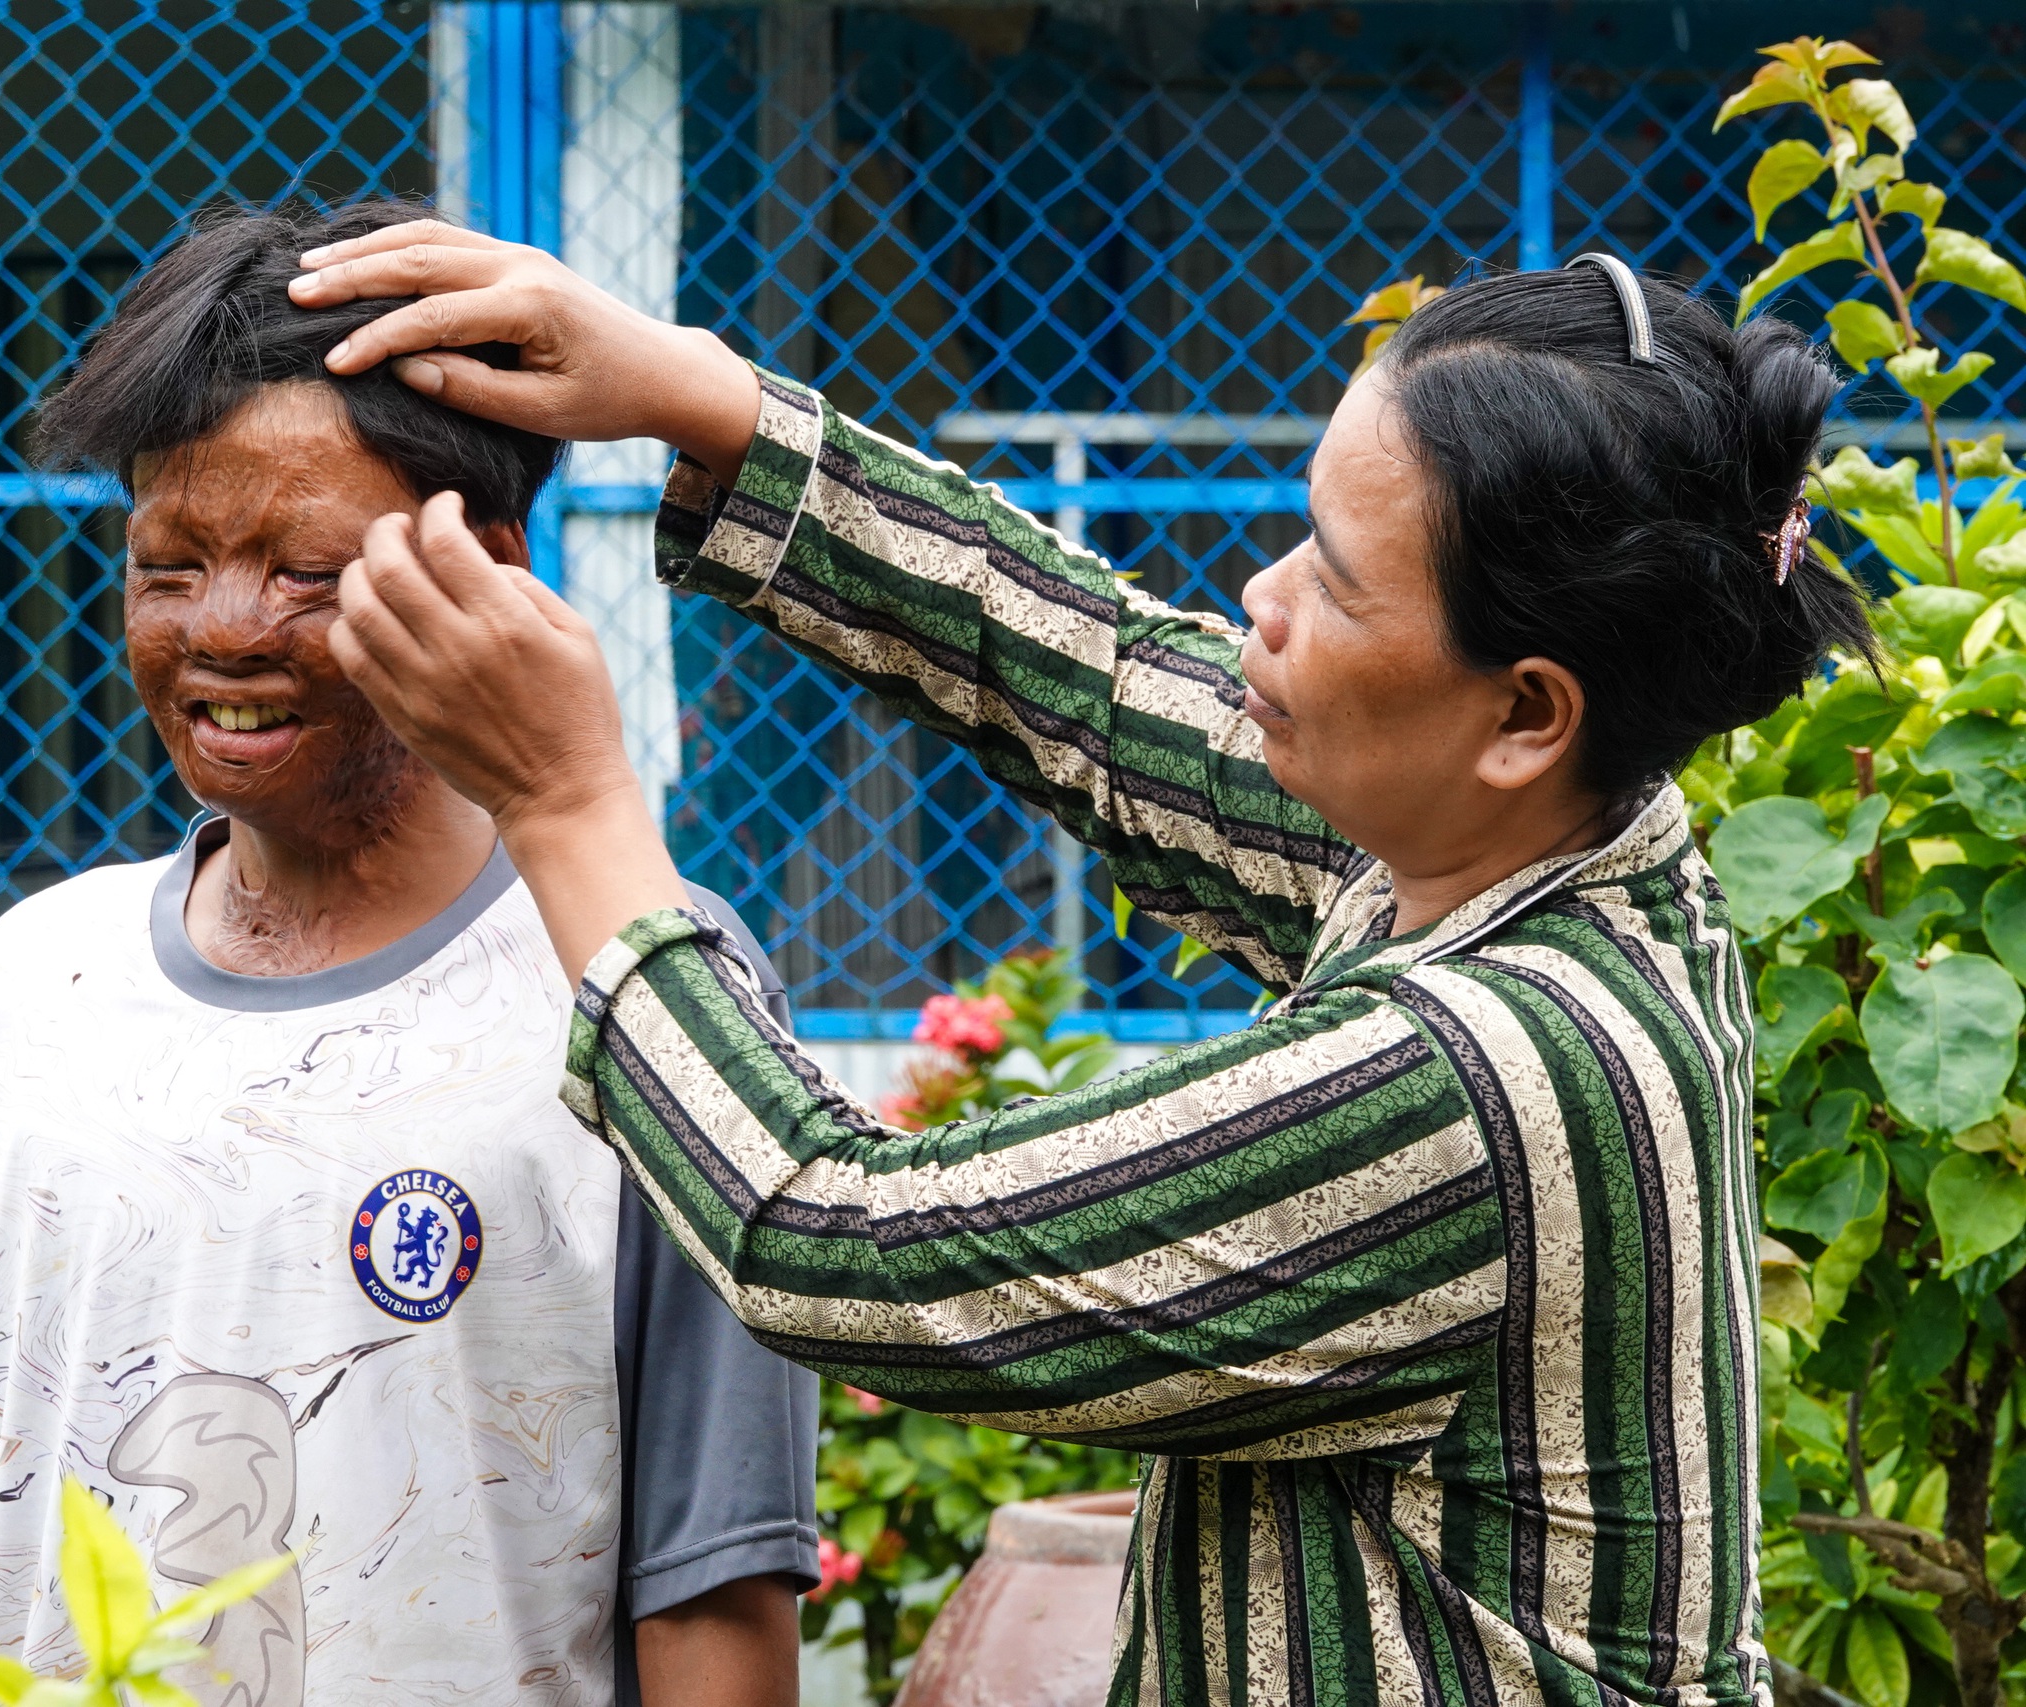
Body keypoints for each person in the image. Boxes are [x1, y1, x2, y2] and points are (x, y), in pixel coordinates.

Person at [279, 225, 1877, 1707]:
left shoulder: (1478, 1080)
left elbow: (847, 1250)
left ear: (1527, 713)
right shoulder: (1535, 851)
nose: (1262, 598)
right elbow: (1101, 688)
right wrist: (702, 400)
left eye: (1334, 576)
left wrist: (567, 809)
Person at [0, 202, 817, 1707]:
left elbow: (712, 1599)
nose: (223, 631)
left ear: (487, 568)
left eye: (305, 569)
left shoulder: (646, 993)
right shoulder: (33, 987)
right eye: (169, 565)